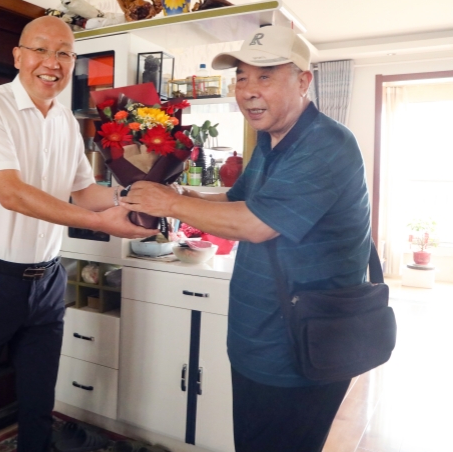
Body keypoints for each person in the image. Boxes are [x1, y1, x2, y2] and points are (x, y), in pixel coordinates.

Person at [120, 25, 371, 452]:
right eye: (241, 78)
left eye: (265, 76)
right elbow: (239, 200)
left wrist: (171, 204)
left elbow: (256, 223)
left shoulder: (326, 143)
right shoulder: (272, 141)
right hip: (261, 336)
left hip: (301, 346)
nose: (248, 91)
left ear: (303, 81)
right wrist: (184, 195)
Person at [0, 16, 156, 452]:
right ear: (19, 56)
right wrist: (99, 222)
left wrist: (133, 194)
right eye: (40, 50)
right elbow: (11, 193)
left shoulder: (66, 121)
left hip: (47, 280)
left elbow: (84, 191)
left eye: (64, 53)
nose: (51, 62)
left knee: (39, 404)